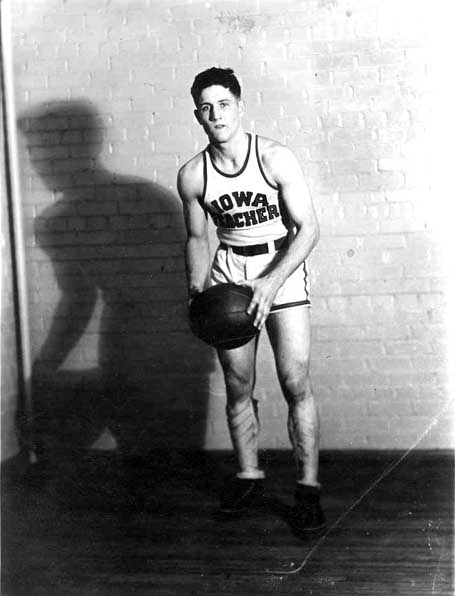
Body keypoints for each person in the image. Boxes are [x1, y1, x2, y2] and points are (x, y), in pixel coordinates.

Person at [177, 67, 325, 534]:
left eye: (223, 104)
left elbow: (309, 230)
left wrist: (273, 282)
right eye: (206, 107)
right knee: (238, 383)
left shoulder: (275, 157)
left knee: (294, 379)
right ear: (198, 115)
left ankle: (307, 489)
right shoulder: (193, 175)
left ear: (239, 106)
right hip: (230, 271)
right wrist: (197, 292)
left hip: (280, 266)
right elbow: (197, 238)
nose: (216, 114)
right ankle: (249, 475)